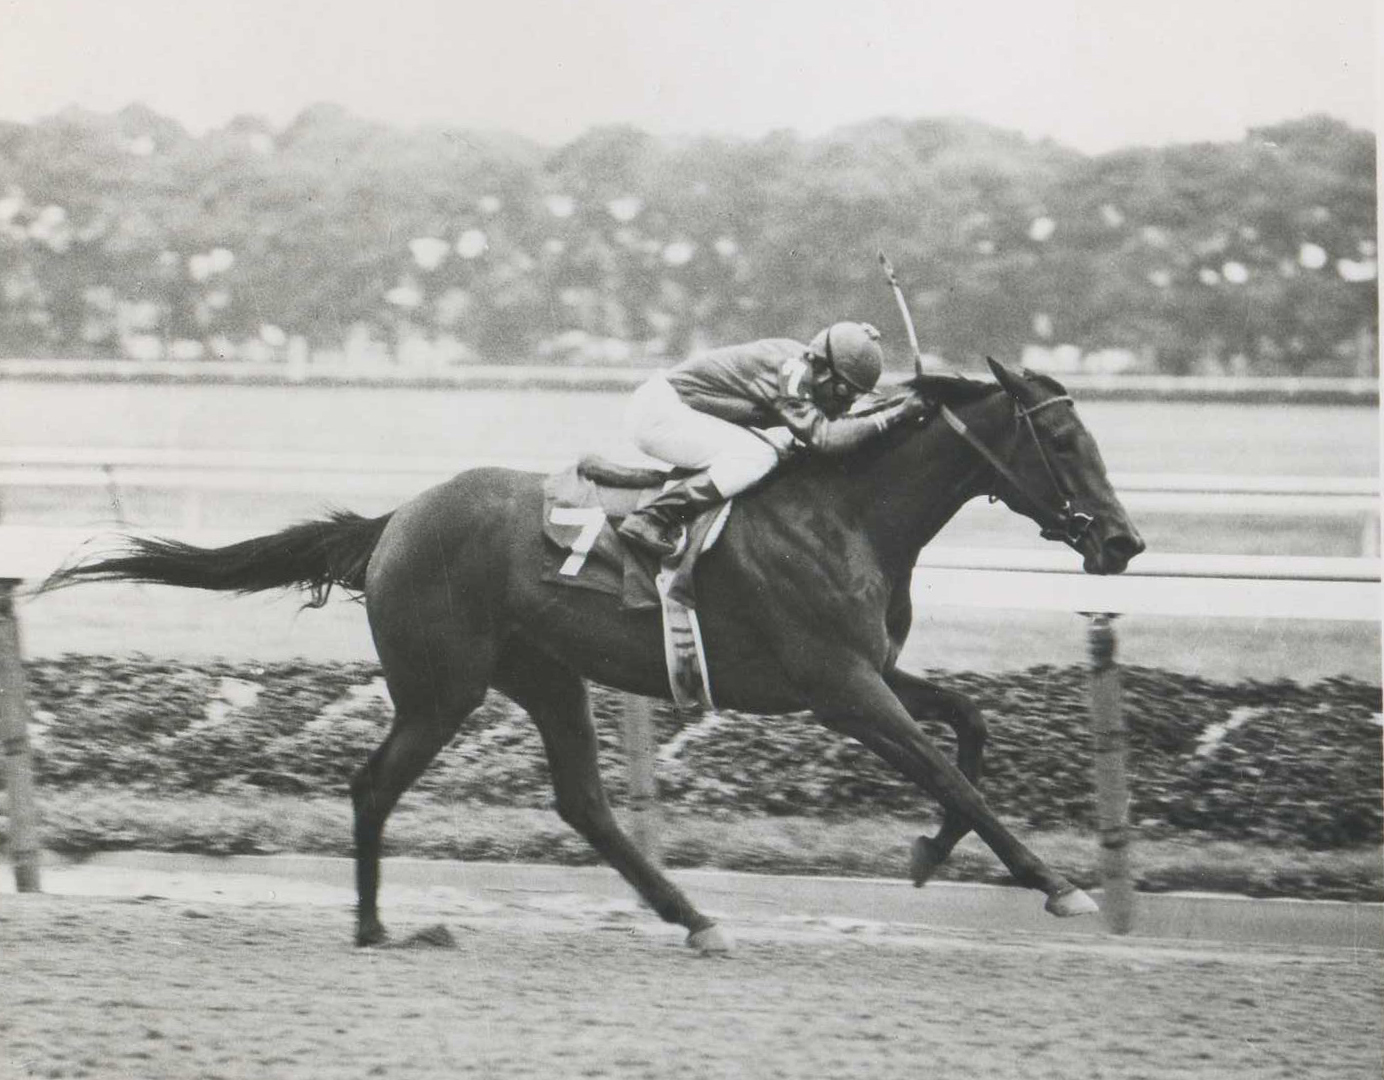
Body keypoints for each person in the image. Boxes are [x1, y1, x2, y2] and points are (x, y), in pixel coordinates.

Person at [616, 321, 928, 558]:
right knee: (757, 457)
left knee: (774, 452)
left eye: (857, 396)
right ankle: (653, 518)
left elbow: (837, 426)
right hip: (659, 412)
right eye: (845, 392)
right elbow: (825, 438)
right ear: (822, 370)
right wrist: (895, 414)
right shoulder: (792, 372)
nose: (847, 404)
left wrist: (891, 407)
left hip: (677, 409)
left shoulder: (804, 366)